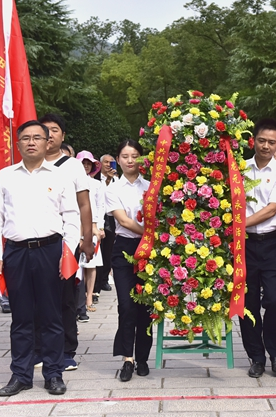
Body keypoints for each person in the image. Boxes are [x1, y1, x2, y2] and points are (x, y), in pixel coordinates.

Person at [0, 120, 80, 397]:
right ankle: (21, 374)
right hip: (15, 252)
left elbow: (72, 218)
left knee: (52, 316)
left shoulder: (59, 176)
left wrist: (69, 253)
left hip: (50, 251)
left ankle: (53, 373)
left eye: (37, 138)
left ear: (47, 142)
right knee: (21, 318)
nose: (31, 142)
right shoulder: (5, 176)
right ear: (17, 143)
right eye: (25, 138)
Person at [38, 114, 93, 372]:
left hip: (66, 241)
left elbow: (84, 204)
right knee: (37, 299)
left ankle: (67, 349)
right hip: (37, 241)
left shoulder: (71, 166)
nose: (49, 135)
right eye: (44, 130)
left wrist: (87, 239)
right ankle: (40, 348)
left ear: (63, 136)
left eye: (54, 130)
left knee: (65, 298)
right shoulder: (30, 164)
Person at [241, 118, 276, 378]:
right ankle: (256, 357)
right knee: (247, 303)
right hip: (244, 245)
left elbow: (273, 208)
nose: (266, 146)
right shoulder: (239, 169)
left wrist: (236, 225)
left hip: (272, 243)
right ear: (254, 141)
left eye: (272, 142)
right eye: (261, 140)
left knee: (275, 300)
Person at [104, 139, 152, 382]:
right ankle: (127, 359)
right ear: (118, 159)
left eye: (135, 155)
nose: (130, 160)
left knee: (146, 305)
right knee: (126, 304)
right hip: (124, 248)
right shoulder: (113, 188)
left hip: (151, 251)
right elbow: (122, 221)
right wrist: (150, 233)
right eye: (125, 156)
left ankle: (142, 357)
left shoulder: (152, 186)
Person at [75, 150, 104, 317]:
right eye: (83, 163)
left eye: (89, 163)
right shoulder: (71, 181)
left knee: (91, 264)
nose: (86, 166)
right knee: (78, 265)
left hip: (92, 227)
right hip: (75, 225)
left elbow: (100, 206)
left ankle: (89, 298)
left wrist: (99, 227)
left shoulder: (97, 185)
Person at [94, 154, 118, 298]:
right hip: (99, 216)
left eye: (112, 162)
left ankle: (104, 279)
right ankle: (96, 280)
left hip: (112, 216)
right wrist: (108, 179)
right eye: (106, 162)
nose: (109, 165)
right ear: (101, 164)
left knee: (109, 249)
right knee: (99, 248)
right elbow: (101, 194)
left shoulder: (117, 178)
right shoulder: (95, 178)